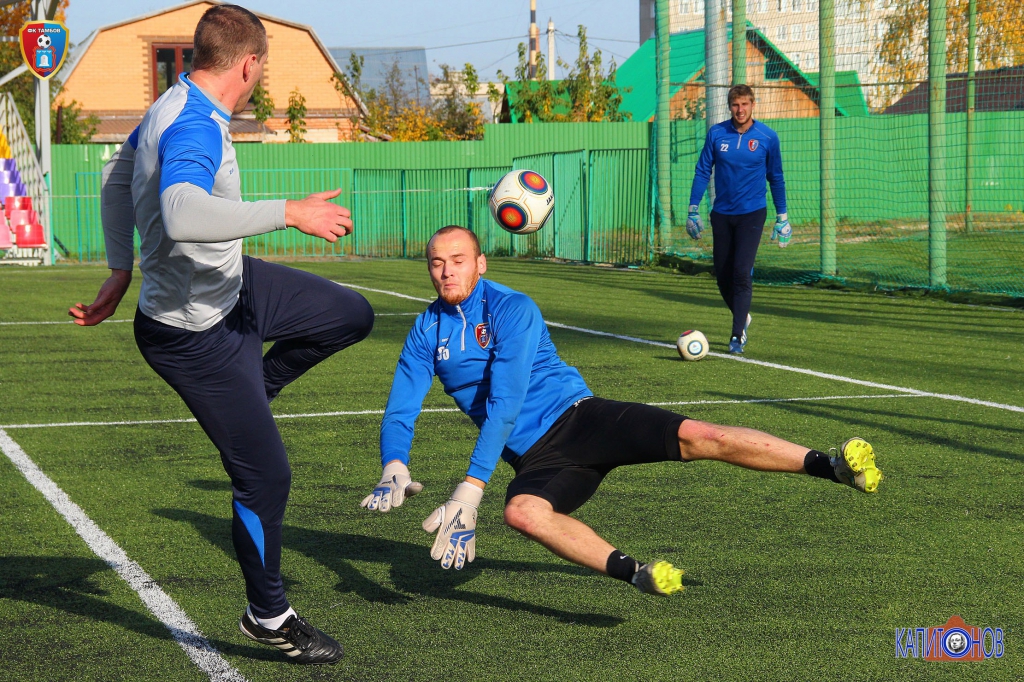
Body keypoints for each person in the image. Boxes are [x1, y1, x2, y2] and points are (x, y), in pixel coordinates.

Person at [68, 5, 371, 665]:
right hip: (193, 335)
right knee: (266, 477)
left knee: (350, 314)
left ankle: (252, 393)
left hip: (238, 289)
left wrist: (119, 269)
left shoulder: (171, 101)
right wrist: (290, 212)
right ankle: (269, 616)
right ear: (250, 64)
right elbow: (179, 213)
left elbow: (113, 179)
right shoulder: (194, 125)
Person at [360, 225, 882, 595]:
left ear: (480, 264)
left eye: (457, 260)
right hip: (536, 460)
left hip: (584, 421)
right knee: (521, 512)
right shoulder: (426, 329)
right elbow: (401, 406)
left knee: (702, 435)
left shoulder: (511, 307)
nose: (446, 271)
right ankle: (637, 573)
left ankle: (830, 465)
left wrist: (470, 489)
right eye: (436, 262)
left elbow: (507, 400)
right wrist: (394, 464)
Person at [686, 84, 789, 354]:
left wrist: (783, 217)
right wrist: (693, 209)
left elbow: (776, 178)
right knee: (722, 274)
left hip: (752, 214)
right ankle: (742, 314)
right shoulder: (716, 133)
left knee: (741, 272)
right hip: (722, 214)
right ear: (729, 106)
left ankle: (736, 335)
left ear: (753, 104)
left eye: (744, 104)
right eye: (735, 105)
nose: (740, 110)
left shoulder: (767, 137)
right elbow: (702, 171)